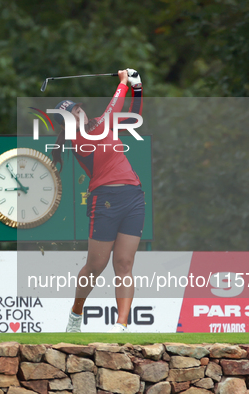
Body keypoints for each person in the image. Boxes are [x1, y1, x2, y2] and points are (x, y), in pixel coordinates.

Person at [51, 69, 144, 333]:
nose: (78, 113)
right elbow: (114, 106)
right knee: (95, 266)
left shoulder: (98, 124)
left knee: (124, 264)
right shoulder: (79, 138)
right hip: (105, 200)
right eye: (71, 114)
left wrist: (137, 88)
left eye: (77, 109)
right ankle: (75, 316)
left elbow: (133, 116)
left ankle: (121, 326)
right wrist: (124, 83)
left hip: (133, 195)